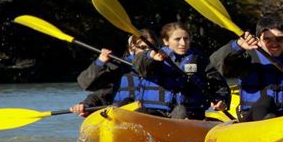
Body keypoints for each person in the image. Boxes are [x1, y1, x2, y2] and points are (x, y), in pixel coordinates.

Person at [70, 26, 228, 119]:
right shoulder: (119, 67)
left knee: (179, 110)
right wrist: (87, 105)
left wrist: (220, 99)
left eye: (149, 48)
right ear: (132, 48)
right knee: (125, 106)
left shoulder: (164, 66)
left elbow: (213, 85)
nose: (145, 52)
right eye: (141, 48)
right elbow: (96, 91)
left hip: (163, 116)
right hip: (128, 114)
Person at [136, 21, 230, 119]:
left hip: (189, 115)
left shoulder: (200, 60)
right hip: (156, 113)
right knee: (140, 112)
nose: (183, 43)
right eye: (177, 39)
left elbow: (220, 87)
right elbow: (138, 63)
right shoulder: (153, 57)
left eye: (186, 39)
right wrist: (150, 56)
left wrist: (220, 100)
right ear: (166, 41)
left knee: (181, 111)